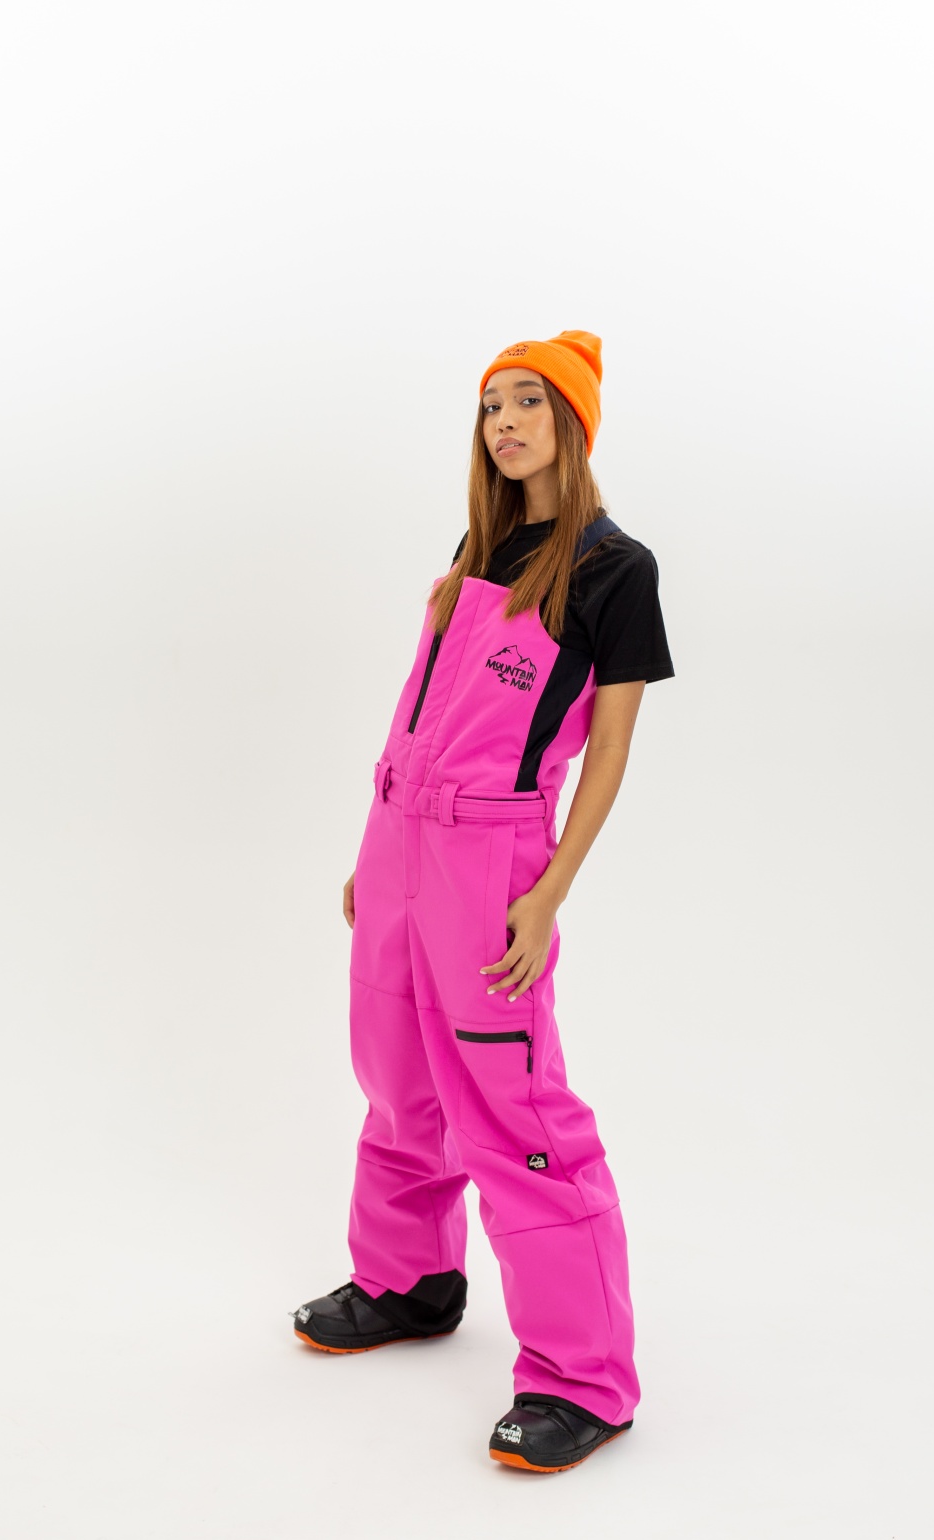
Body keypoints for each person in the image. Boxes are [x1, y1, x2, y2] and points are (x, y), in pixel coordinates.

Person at [291, 330, 676, 1473]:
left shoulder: (613, 567)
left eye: (528, 402)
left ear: (572, 423)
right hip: (399, 839)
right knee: (396, 1072)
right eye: (490, 406)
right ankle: (407, 1280)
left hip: (492, 857)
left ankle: (581, 1377)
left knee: (511, 1109)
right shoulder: (479, 544)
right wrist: (376, 851)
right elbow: (425, 702)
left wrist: (548, 891)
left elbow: (607, 752)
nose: (504, 422)